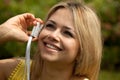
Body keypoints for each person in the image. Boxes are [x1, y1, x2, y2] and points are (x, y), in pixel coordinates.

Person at [0, 0, 102, 80]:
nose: (53, 35)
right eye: (50, 26)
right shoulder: (12, 70)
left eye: (67, 33)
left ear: (83, 49)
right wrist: (3, 32)